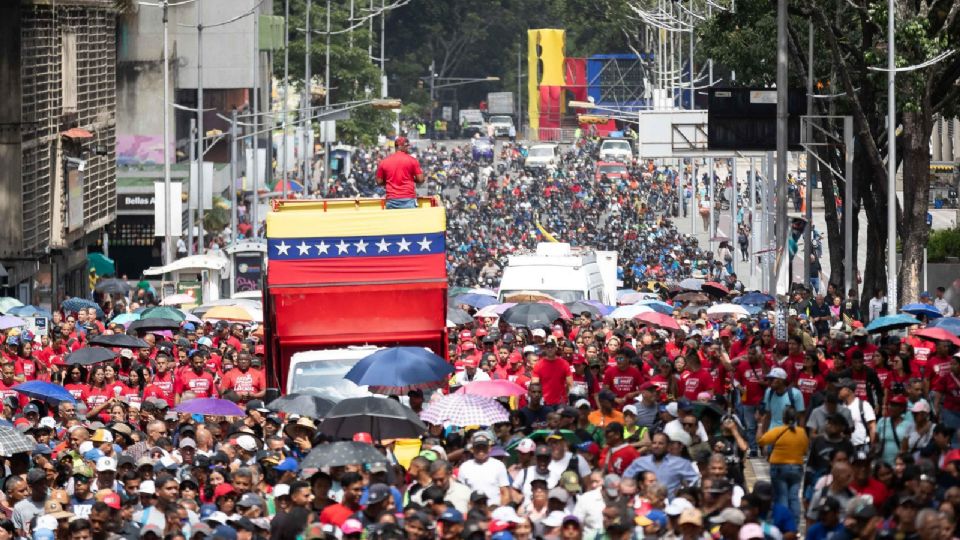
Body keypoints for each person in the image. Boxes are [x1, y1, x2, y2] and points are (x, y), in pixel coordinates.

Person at [375, 136, 425, 209]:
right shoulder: (412, 160)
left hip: (391, 200)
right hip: (408, 199)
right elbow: (420, 180)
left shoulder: (384, 162)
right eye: (407, 146)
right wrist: (412, 179)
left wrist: (390, 180)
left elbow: (379, 182)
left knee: (393, 220)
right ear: (401, 146)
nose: (408, 148)